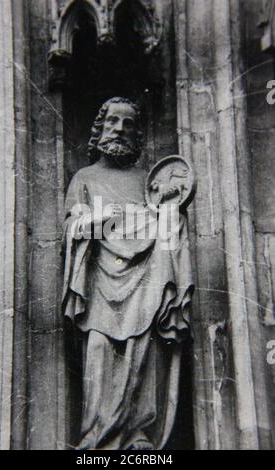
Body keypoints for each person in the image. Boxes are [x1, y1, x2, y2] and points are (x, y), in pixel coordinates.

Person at [62, 97, 194, 450]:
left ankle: (138, 434)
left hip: (145, 281)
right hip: (101, 283)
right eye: (112, 122)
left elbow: (167, 231)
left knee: (143, 352)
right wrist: (95, 223)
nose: (119, 129)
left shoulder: (148, 182)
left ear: (138, 133)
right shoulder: (85, 178)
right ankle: (96, 437)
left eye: (128, 123)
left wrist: (170, 209)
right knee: (100, 349)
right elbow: (73, 226)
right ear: (99, 128)